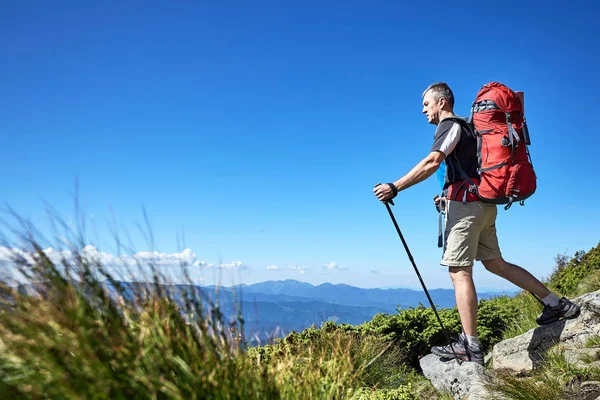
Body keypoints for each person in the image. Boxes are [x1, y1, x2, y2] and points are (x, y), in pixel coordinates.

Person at [373, 82, 580, 365]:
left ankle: (470, 345)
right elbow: (466, 169)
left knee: (459, 272)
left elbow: (433, 162)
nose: (423, 110)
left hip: (466, 209)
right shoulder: (471, 128)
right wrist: (446, 194)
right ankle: (556, 304)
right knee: (496, 263)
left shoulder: (450, 125)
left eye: (426, 104)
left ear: (442, 102)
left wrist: (394, 186)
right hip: (482, 204)